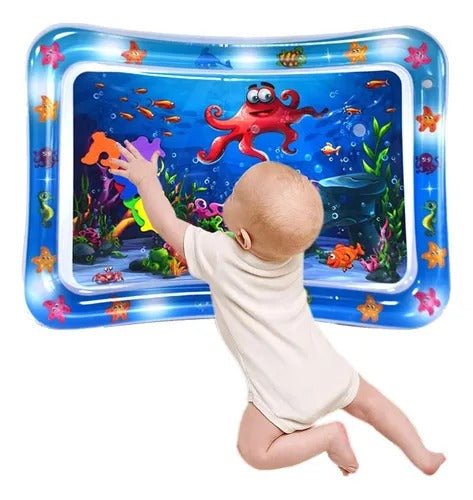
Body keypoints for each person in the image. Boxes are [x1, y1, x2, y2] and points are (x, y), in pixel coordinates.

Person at [110, 140, 445, 475]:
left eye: (232, 197)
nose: (227, 197)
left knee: (255, 451)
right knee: (372, 405)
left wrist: (146, 180)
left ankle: (328, 437)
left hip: (283, 392)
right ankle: (423, 456)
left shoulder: (221, 255)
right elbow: (285, 218)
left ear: (243, 239)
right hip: (327, 367)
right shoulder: (291, 252)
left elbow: (166, 223)